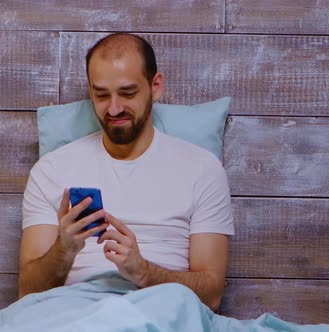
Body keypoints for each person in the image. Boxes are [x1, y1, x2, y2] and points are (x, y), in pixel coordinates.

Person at [18, 33, 234, 311]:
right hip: (71, 314)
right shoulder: (51, 170)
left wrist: (143, 271)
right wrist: (64, 249)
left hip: (160, 313)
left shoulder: (202, 170)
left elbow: (212, 294)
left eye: (128, 93)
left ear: (155, 86)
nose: (114, 108)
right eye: (101, 95)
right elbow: (27, 293)